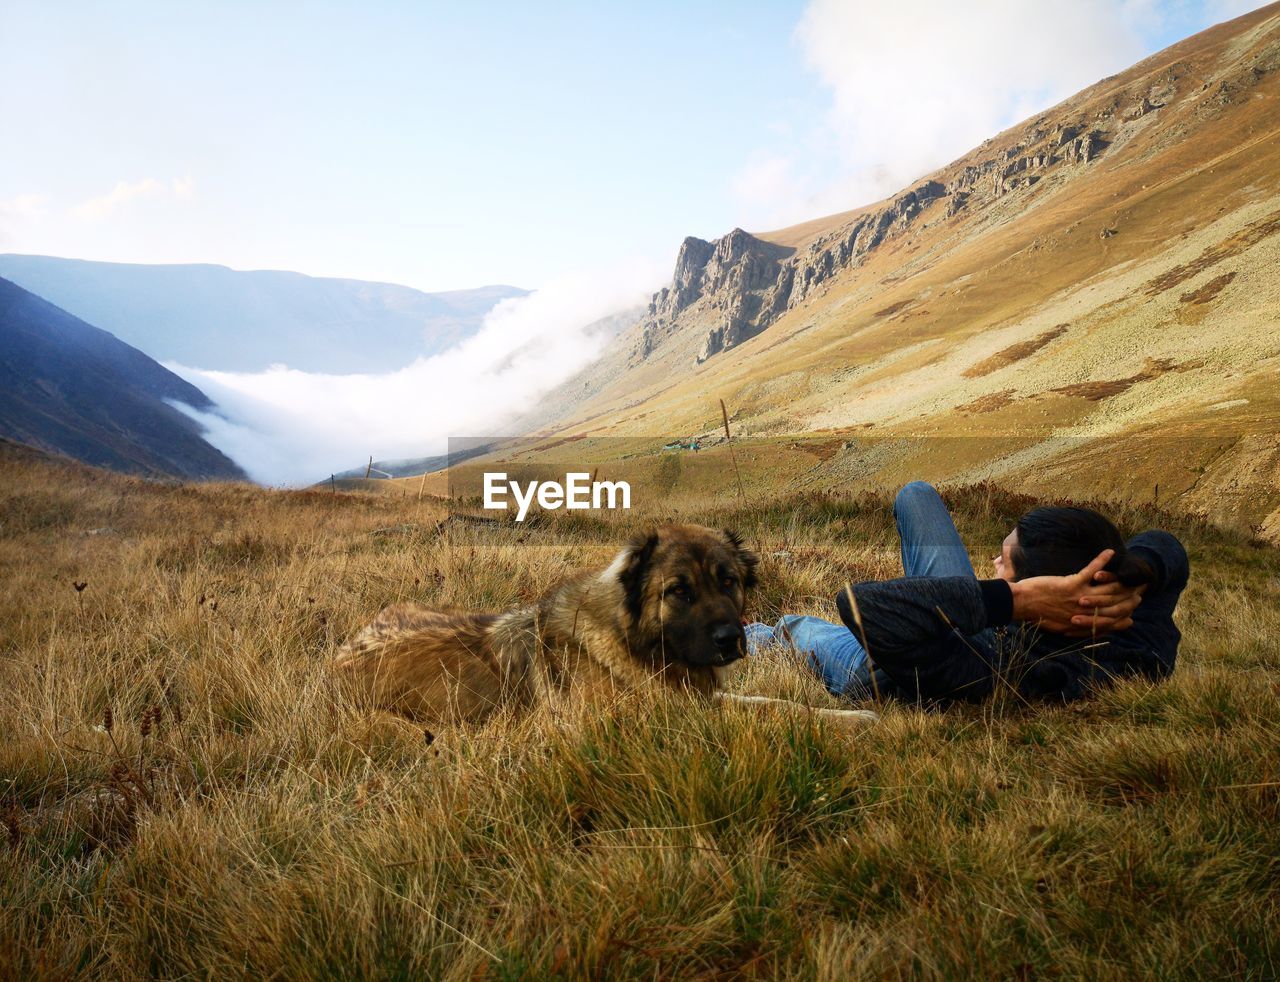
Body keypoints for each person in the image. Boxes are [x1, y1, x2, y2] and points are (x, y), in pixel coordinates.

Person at [746, 481, 1189, 703]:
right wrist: (1139, 574)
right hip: (969, 622)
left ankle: (745, 637)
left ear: (1040, 590)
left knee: (794, 628)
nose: (995, 566)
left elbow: (862, 606)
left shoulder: (998, 664)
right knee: (916, 494)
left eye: (1005, 562)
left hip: (891, 660)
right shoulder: (1136, 621)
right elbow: (1168, 544)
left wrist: (1013, 602)